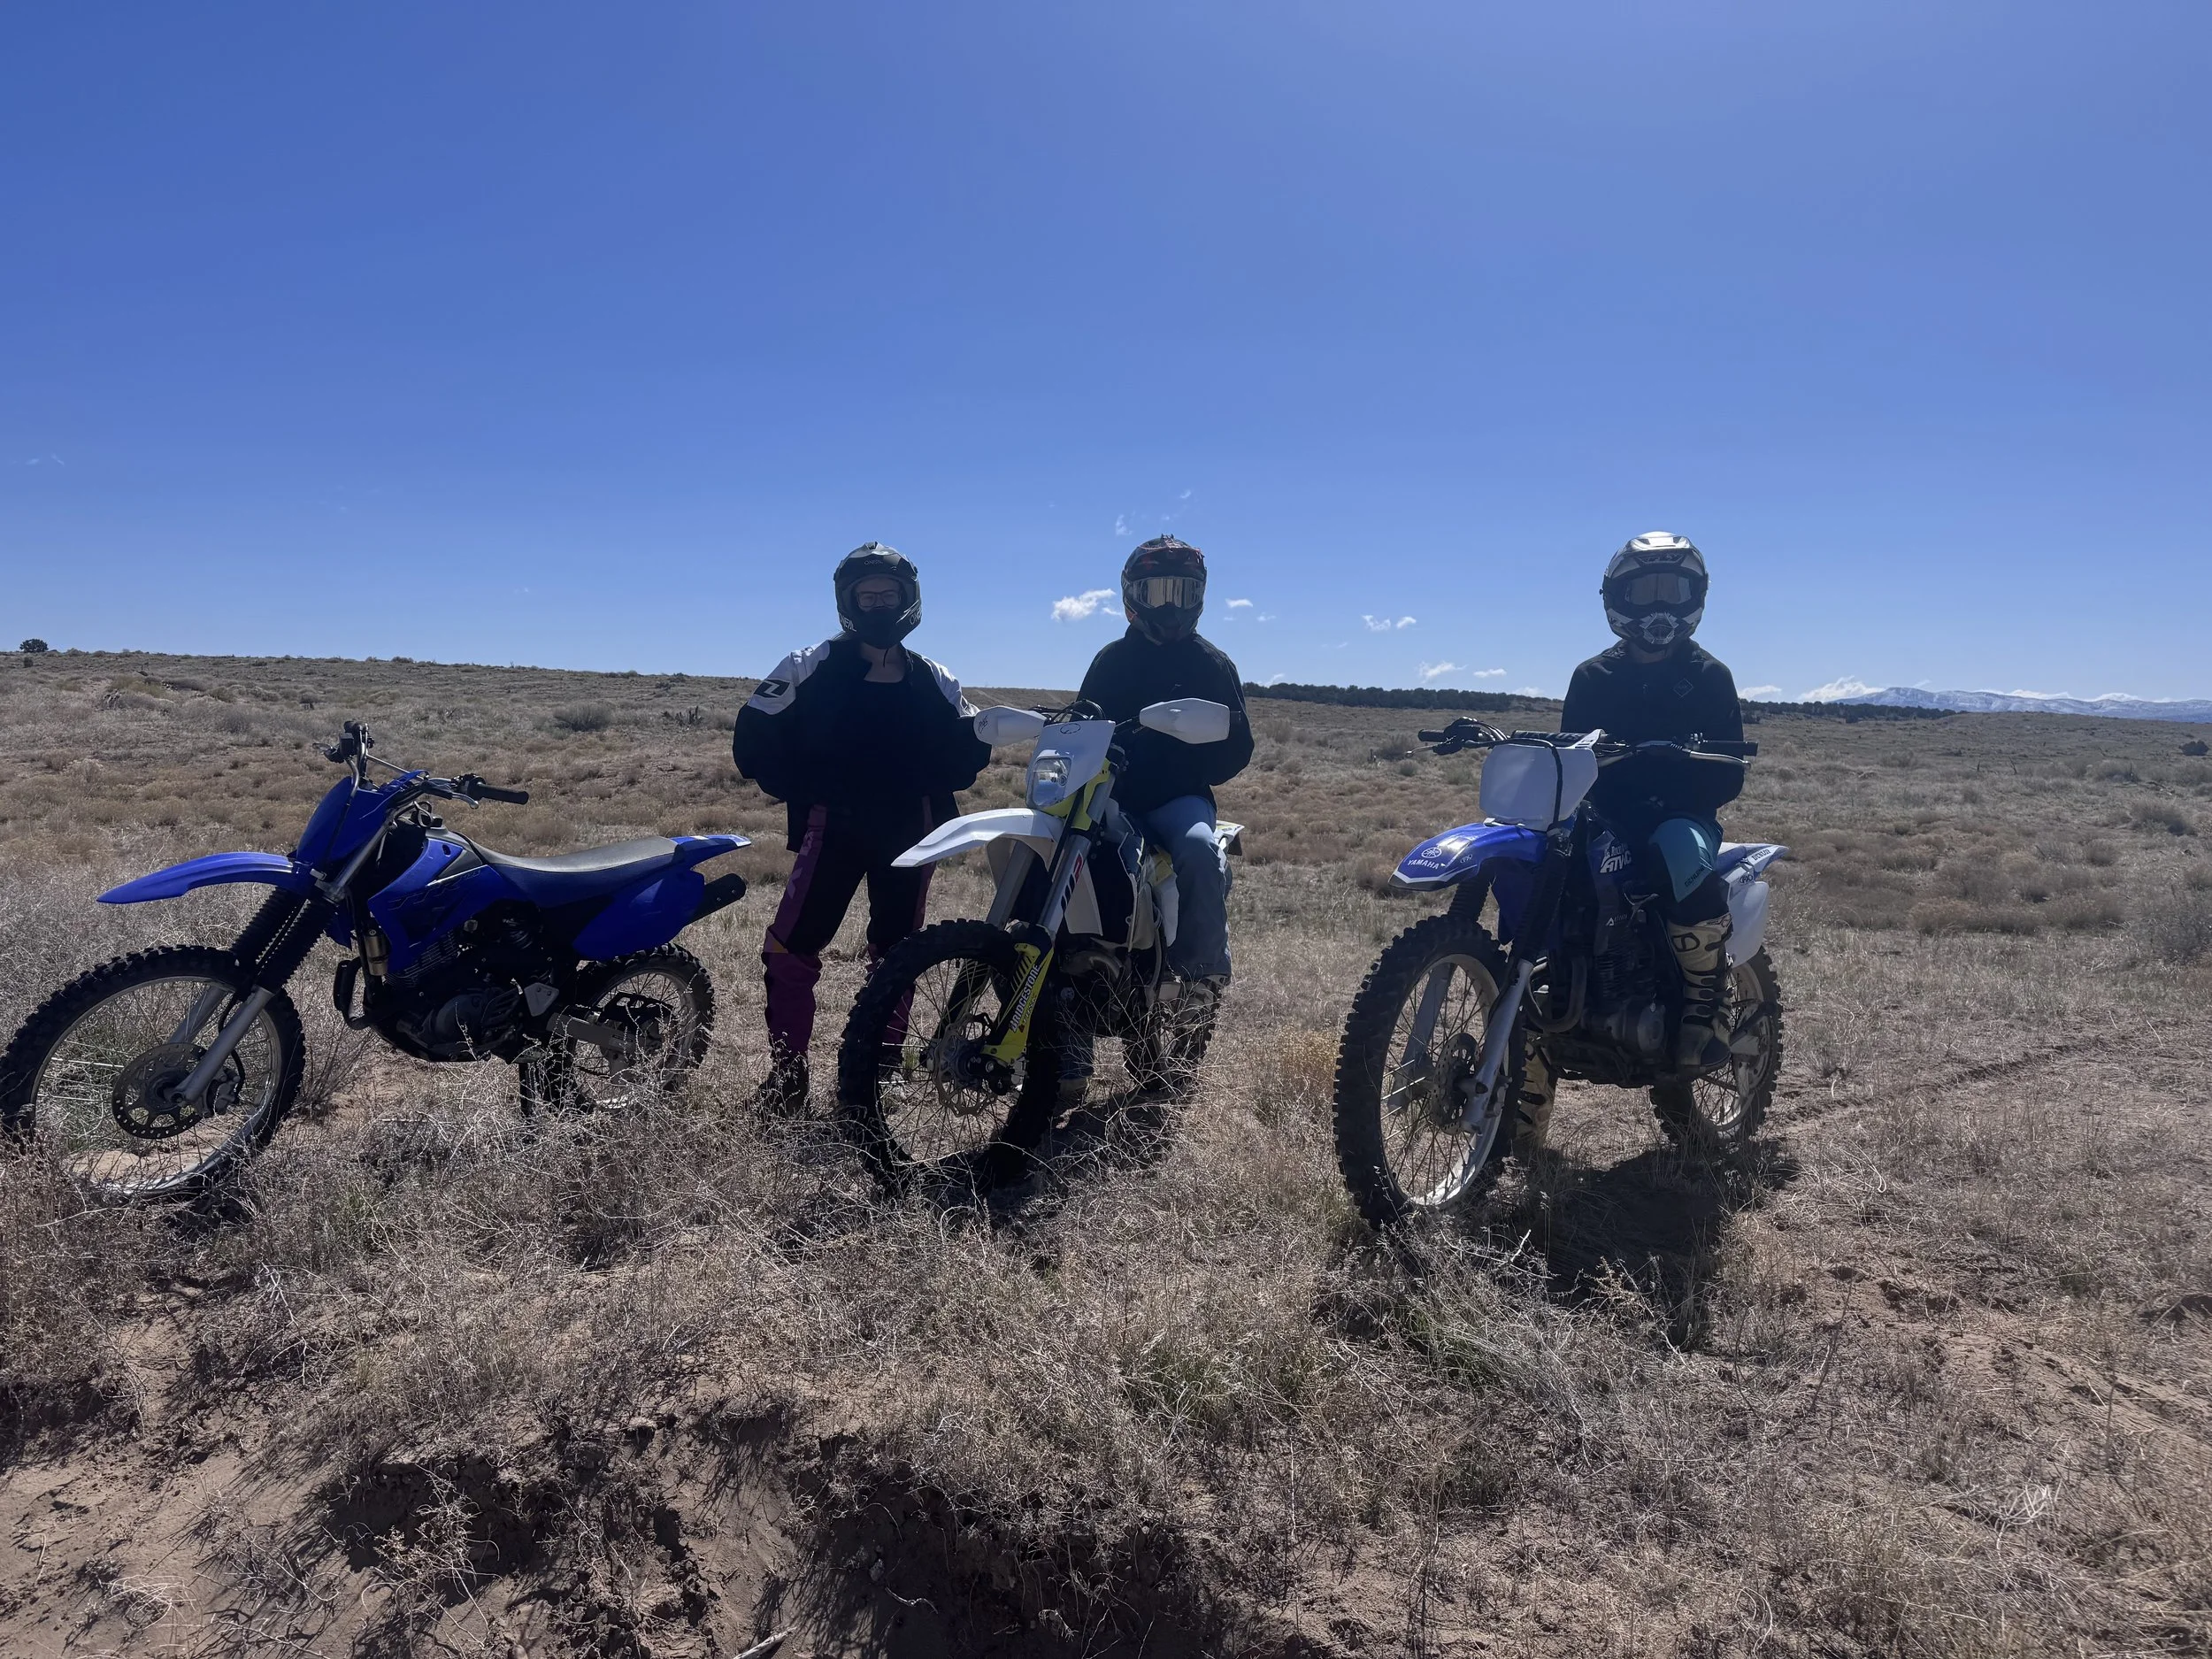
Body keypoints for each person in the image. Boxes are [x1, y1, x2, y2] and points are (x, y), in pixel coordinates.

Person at [732, 544, 992, 1113]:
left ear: (908, 599)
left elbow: (971, 748)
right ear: (848, 603)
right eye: (866, 596)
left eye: (888, 594)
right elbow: (752, 739)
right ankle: (787, 1077)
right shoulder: (809, 663)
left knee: (899, 952)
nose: (878, 604)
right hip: (834, 826)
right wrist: (807, 786)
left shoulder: (935, 678)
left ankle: (882, 1065)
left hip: (912, 829)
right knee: (791, 946)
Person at [1517, 530, 1744, 1153]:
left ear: (1695, 596)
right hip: (1603, 816)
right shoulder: (1592, 676)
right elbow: (1572, 757)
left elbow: (1731, 771)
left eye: (1673, 590)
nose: (1659, 608)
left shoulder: (1709, 676)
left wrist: (1680, 773)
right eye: (1644, 592)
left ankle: (1705, 1001)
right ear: (1618, 598)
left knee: (1674, 851)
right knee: (1553, 904)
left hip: (1682, 816)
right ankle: (1522, 1119)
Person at [1062, 535, 1254, 1100]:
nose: (1169, 604)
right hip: (1112, 795)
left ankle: (1201, 973)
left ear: (1199, 597)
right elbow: (1082, 721)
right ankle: (1068, 1011)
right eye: (1157, 591)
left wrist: (1198, 744)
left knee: (1198, 849)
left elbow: (1236, 745)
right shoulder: (1112, 660)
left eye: (1182, 591)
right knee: (1070, 865)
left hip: (1178, 799)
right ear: (1132, 596)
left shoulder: (1213, 665)